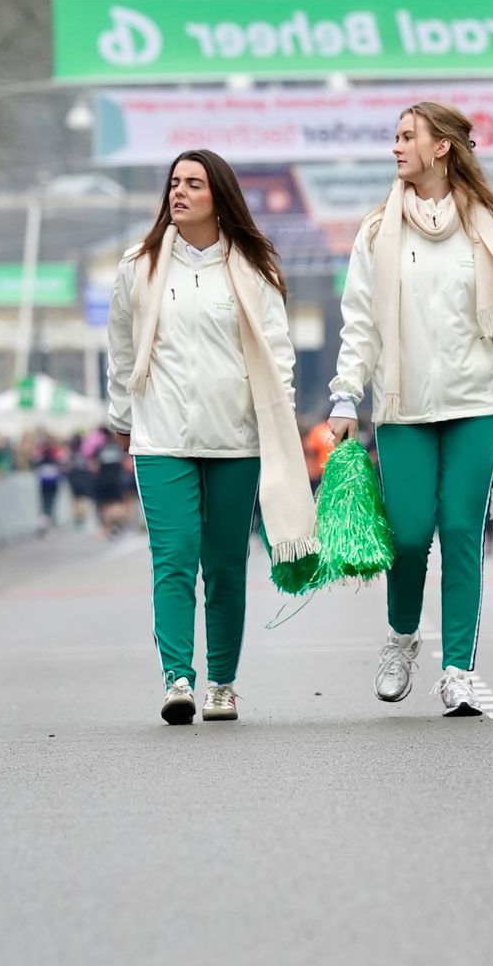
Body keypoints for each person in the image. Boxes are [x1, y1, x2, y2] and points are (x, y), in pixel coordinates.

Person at [328, 101, 493, 717]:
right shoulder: (377, 230)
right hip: (401, 406)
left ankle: (458, 671)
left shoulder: (489, 224)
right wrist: (346, 393)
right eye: (396, 137)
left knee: (460, 532)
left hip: (476, 403)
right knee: (407, 535)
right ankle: (402, 639)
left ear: (442, 147)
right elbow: (360, 321)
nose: (397, 147)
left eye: (408, 136)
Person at [106, 150, 314, 725]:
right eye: (174, 183)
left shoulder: (253, 267)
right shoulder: (139, 265)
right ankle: (178, 678)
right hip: (161, 436)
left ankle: (222, 684)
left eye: (194, 184)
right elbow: (122, 348)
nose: (180, 192)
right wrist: (122, 418)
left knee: (224, 566)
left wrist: (278, 422)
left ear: (219, 195)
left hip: (236, 440)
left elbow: (278, 354)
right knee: (173, 558)